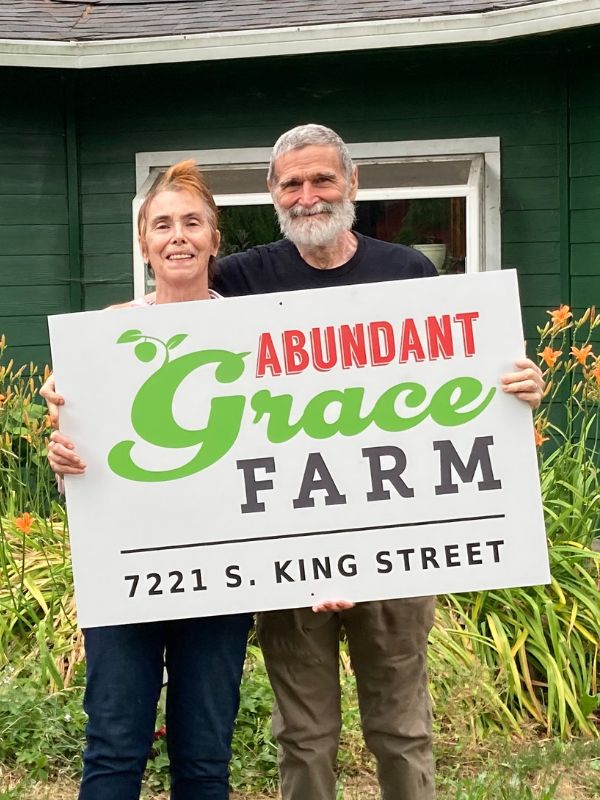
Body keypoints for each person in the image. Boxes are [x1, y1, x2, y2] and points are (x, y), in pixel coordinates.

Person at [44, 124, 544, 800]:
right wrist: (73, 402)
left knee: (400, 730)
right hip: (280, 564)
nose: (308, 196)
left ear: (352, 186)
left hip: (392, 550)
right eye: (292, 184)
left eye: (321, 180)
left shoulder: (411, 273)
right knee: (302, 737)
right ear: (273, 196)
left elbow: (465, 378)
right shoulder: (244, 282)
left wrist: (518, 389)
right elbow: (153, 330)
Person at [47, 160, 253, 800]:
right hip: (126, 570)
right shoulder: (104, 335)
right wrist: (64, 459)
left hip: (220, 574)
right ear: (144, 242)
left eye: (193, 222)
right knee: (113, 749)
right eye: (162, 224)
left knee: (204, 758)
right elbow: (82, 466)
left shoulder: (254, 333)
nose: (178, 236)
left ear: (215, 238)